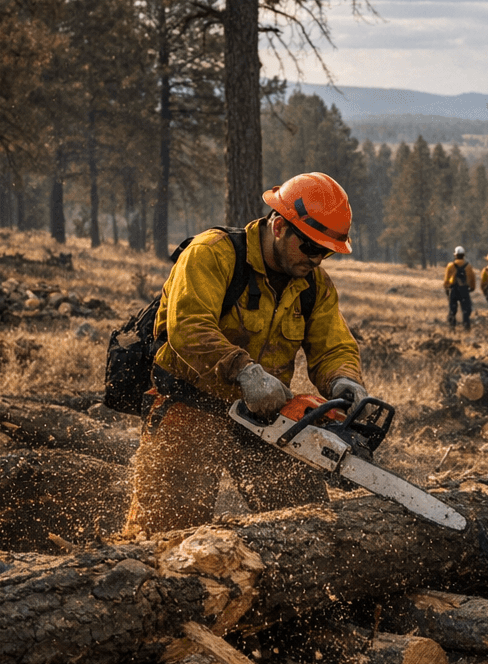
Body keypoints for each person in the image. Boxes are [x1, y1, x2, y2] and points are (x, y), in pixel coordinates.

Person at [123, 172, 369, 535]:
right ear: (280, 227)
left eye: (326, 252)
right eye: (310, 247)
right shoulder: (213, 253)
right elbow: (187, 327)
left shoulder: (313, 285)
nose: (317, 259)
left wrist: (344, 378)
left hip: (265, 417)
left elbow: (333, 345)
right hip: (191, 404)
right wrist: (243, 371)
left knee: (306, 523)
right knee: (163, 532)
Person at [443, 245, 476, 329]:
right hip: (464, 290)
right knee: (466, 310)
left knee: (452, 310)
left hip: (453, 290)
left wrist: (446, 288)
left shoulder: (450, 265)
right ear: (463, 255)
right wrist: (472, 288)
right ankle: (466, 327)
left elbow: (446, 279)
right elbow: (472, 279)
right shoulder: (468, 266)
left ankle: (451, 327)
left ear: (455, 255)